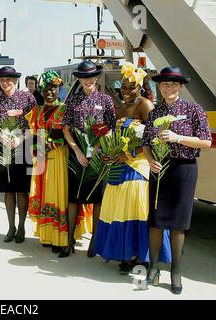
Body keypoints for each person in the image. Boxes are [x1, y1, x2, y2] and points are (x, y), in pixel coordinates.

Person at [94, 62, 171, 273]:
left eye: (131, 87)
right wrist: (105, 152)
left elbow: (155, 138)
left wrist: (129, 153)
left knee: (137, 208)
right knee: (118, 209)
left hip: (138, 165)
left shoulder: (145, 105)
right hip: (118, 167)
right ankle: (125, 254)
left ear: (141, 88)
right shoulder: (118, 108)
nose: (127, 91)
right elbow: (110, 135)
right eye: (124, 86)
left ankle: (142, 256)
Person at [142, 66, 212, 294]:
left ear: (180, 86)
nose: (169, 87)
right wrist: (150, 160)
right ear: (158, 87)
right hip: (159, 168)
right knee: (155, 220)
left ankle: (176, 269)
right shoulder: (155, 112)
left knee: (178, 224)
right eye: (164, 84)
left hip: (184, 169)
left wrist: (177, 137)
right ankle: (153, 267)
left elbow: (206, 142)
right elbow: (146, 143)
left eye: (173, 84)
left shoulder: (194, 109)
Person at [62, 60, 116, 257]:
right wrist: (76, 150)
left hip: (98, 154)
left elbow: (110, 128)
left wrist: (95, 148)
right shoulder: (73, 100)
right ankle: (69, 240)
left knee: (96, 199)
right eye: (84, 77)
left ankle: (94, 241)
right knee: (74, 198)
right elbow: (66, 128)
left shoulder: (106, 100)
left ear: (96, 77)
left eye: (91, 77)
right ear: (80, 79)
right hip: (76, 154)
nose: (88, 80)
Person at [26, 71, 72, 256]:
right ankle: (46, 235)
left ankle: (60, 239)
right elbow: (36, 135)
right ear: (41, 90)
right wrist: (35, 147)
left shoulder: (64, 110)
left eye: (53, 88)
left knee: (56, 194)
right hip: (41, 159)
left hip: (59, 158)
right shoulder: (36, 111)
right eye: (46, 88)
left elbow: (71, 136)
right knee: (43, 194)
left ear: (59, 89)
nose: (50, 92)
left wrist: (55, 144)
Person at [0, 66, 37, 243]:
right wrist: (0, 136)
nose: (5, 83)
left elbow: (35, 125)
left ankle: (21, 227)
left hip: (23, 147)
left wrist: (20, 139)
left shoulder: (28, 98)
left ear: (16, 81)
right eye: (3, 80)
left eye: (9, 80)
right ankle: (10, 226)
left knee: (22, 191)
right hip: (3, 148)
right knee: (8, 190)